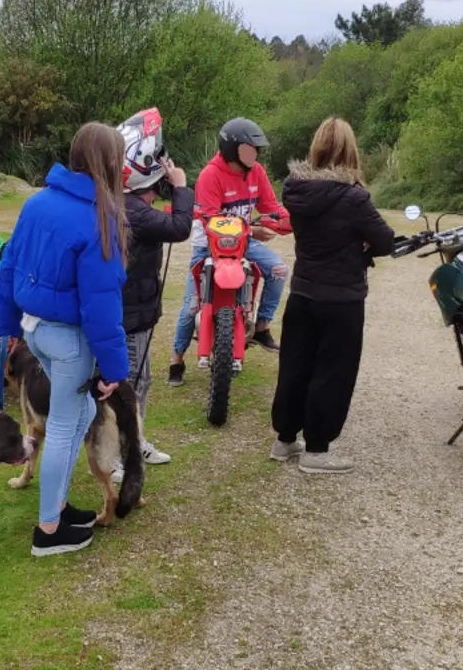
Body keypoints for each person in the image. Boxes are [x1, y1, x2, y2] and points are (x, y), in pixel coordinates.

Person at [0, 122, 130, 557]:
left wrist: (6, 327)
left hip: (37, 331)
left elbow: (8, 267)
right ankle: (48, 529)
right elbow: (101, 305)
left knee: (82, 409)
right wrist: (115, 369)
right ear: (110, 162)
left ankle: (59, 504)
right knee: (67, 424)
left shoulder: (36, 203)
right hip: (68, 340)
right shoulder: (100, 218)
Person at [268, 117, 396, 474]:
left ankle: (285, 439)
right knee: (332, 372)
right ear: (349, 150)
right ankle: (318, 450)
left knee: (295, 365)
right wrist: (362, 240)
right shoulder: (354, 197)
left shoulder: (295, 189)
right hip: (341, 299)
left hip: (303, 292)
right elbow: (385, 241)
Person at [167, 117, 291, 386]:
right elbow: (212, 219)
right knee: (191, 306)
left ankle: (261, 327)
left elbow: (271, 206)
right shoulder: (210, 175)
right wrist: (254, 230)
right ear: (233, 148)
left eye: (256, 149)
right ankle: (177, 360)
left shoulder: (256, 171)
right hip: (208, 246)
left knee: (280, 269)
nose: (256, 154)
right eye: (250, 148)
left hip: (243, 243)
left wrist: (293, 220)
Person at [113, 108, 194, 480]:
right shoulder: (134, 211)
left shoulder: (127, 204)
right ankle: (117, 453)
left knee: (140, 381)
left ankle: (135, 439)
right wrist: (180, 187)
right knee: (125, 384)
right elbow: (180, 227)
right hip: (128, 317)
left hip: (139, 312)